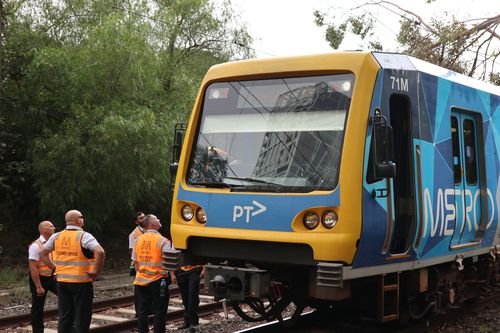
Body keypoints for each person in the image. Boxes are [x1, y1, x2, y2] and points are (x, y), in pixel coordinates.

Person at [40, 210, 105, 333]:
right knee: (82, 317)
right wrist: (96, 271)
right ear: (78, 220)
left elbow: (42, 253)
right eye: (82, 217)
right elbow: (100, 252)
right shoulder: (84, 236)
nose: (83, 219)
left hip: (62, 282)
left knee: (65, 316)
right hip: (81, 282)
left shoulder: (56, 236)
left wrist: (54, 267)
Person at [132, 214, 173, 333]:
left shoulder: (137, 240)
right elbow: (168, 261)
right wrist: (171, 275)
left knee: (143, 309)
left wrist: (142, 273)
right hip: (158, 279)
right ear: (152, 224)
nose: (159, 220)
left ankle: (142, 331)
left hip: (141, 279)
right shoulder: (162, 241)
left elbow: (135, 262)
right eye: (157, 219)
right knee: (160, 309)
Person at [28, 220, 58, 333]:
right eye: (51, 226)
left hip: (52, 277)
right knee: (38, 307)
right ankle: (38, 331)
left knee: (66, 297)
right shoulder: (35, 246)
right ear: (44, 230)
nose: (54, 228)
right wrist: (38, 286)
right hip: (39, 279)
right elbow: (33, 267)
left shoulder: (53, 243)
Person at [173, 265, 205, 332]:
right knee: (185, 297)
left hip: (195, 269)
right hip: (181, 270)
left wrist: (204, 269)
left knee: (192, 296)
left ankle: (193, 322)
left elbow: (206, 257)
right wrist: (172, 273)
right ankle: (187, 321)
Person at [129, 211, 146, 317]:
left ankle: (149, 309)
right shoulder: (133, 234)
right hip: (139, 265)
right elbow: (132, 252)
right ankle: (138, 311)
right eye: (141, 218)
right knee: (139, 289)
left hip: (150, 264)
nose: (143, 219)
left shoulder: (150, 230)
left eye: (144, 217)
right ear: (136, 222)